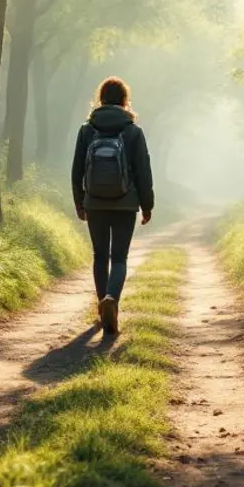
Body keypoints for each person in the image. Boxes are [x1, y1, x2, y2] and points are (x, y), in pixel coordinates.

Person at [71, 76, 154, 335]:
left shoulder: (87, 129)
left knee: (99, 256)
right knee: (119, 257)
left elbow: (76, 169)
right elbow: (143, 171)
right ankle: (111, 300)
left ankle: (102, 306)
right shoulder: (133, 131)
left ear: (101, 98)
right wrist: (147, 204)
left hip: (94, 202)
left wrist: (79, 200)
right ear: (124, 100)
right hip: (125, 204)